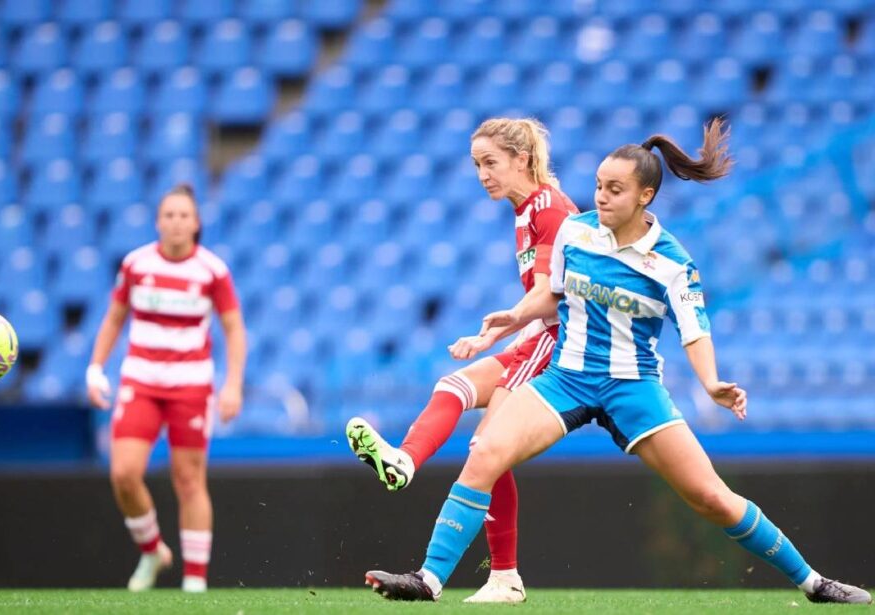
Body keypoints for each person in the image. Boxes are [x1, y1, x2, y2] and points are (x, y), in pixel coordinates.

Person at [363, 119, 872, 604]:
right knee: (486, 450)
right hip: (567, 378)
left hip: (633, 388)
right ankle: (428, 579)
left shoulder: (672, 260)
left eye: (614, 190)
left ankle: (814, 583)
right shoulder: (575, 232)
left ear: (645, 197)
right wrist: (511, 318)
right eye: (599, 186)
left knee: (711, 499)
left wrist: (712, 383)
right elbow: (554, 296)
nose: (601, 197)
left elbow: (695, 332)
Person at [345, 117, 578, 603]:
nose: (482, 174)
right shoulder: (526, 210)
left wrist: (506, 322)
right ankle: (405, 463)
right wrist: (487, 335)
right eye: (476, 165)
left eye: (491, 163)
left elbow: (551, 298)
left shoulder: (549, 209)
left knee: (488, 447)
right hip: (540, 334)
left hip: (561, 342)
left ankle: (468, 577)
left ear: (523, 159)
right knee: (456, 388)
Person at [86, 183, 247, 593]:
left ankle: (194, 582)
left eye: (184, 216)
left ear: (196, 224)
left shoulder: (212, 270)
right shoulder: (136, 264)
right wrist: (95, 368)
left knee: (189, 480)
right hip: (140, 382)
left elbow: (233, 329)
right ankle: (153, 549)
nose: (176, 223)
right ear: (158, 222)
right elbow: (113, 318)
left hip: (191, 386)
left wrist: (233, 385)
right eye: (169, 215)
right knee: (124, 473)